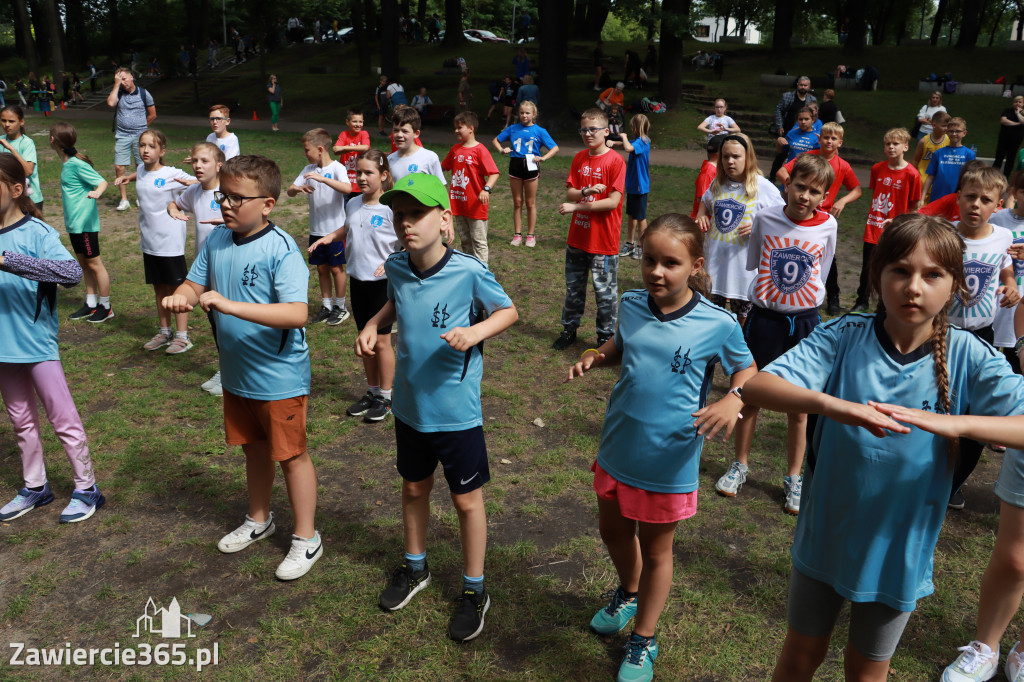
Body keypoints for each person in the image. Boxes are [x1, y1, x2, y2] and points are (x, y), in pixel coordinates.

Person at [743, 214, 1024, 682]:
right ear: (877, 276)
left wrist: (955, 424)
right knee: (799, 658)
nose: (914, 287)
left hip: (899, 552)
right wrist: (834, 406)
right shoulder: (844, 335)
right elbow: (757, 387)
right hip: (825, 534)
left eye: (933, 274)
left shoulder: (970, 356)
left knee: (868, 671)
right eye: (900, 270)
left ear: (954, 285)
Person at [566, 214, 756, 682]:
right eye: (650, 259)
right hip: (618, 444)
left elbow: (748, 372)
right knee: (612, 532)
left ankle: (643, 640)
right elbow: (620, 346)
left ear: (694, 264)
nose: (656, 271)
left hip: (668, 458)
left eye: (670, 262)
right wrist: (597, 355)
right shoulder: (632, 303)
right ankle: (628, 593)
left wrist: (733, 398)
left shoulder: (719, 323)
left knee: (656, 550)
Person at [358, 173, 518, 642]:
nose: (406, 224)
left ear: (444, 219)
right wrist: (373, 324)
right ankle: (415, 567)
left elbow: (507, 311)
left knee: (466, 501)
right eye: (399, 215)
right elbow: (395, 303)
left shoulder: (467, 270)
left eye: (417, 214)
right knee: (413, 489)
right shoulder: (397, 265)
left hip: (456, 412)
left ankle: (474, 589)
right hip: (409, 407)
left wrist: (475, 332)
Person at [163, 154, 322, 581]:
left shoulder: (282, 249)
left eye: (237, 198)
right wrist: (183, 293)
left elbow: (296, 313)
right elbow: (196, 282)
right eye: (222, 197)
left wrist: (231, 305)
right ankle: (259, 519)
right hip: (236, 373)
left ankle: (307, 538)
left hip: (278, 374)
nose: (226, 205)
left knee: (290, 455)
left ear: (267, 204)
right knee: (253, 448)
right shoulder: (216, 240)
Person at [715, 154, 837, 515]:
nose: (805, 196)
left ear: (824, 196)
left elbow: (821, 270)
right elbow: (754, 263)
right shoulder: (765, 218)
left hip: (804, 324)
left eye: (815, 191)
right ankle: (739, 464)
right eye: (800, 186)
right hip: (764, 320)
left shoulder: (828, 226)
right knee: (749, 395)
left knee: (799, 407)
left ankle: (795, 477)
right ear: (787, 184)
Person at [0, 155, 105, 525]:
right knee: (20, 421)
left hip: (36, 345)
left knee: (63, 419)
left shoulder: (38, 233)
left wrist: (7, 260)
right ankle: (35, 486)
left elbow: (71, 273)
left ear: (16, 190)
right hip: (2, 348)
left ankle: (86, 488)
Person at [945, 166, 1019, 511]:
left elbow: (1005, 264)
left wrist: (1012, 283)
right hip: (940, 334)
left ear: (998, 204)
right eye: (970, 196)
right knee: (937, 405)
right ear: (958, 197)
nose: (976, 204)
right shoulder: (943, 234)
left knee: (979, 412)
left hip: (982, 337)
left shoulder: (1003, 236)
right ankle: (923, 476)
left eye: (985, 200)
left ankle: (954, 483)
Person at [311, 150, 399, 423]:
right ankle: (372, 392)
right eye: (358, 172)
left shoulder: (391, 207)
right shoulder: (353, 203)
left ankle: (387, 396)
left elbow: (408, 239)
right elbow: (348, 229)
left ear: (383, 175)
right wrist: (329, 237)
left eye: (368, 173)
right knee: (365, 339)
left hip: (382, 285)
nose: (361, 178)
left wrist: (393, 261)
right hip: (357, 281)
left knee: (382, 342)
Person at [113, 129, 196, 353]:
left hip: (170, 243)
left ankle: (182, 336)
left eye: (151, 146)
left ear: (162, 150)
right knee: (159, 288)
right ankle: (164, 331)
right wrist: (126, 177)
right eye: (142, 145)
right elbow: (140, 175)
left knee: (177, 290)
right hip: (150, 243)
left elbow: (199, 182)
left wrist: (197, 177)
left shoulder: (171, 173)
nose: (145, 150)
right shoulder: (140, 169)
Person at [553, 108, 626, 350]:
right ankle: (569, 330)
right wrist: (584, 193)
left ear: (606, 132)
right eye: (584, 129)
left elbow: (614, 202)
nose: (587, 134)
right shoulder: (579, 158)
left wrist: (576, 207)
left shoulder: (616, 161)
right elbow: (571, 190)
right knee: (573, 289)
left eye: (593, 129)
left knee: (604, 294)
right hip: (578, 238)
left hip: (603, 242)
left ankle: (605, 339)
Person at [695, 133, 783, 322]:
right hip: (715, 265)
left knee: (740, 321)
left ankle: (735, 350)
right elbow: (705, 200)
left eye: (736, 156)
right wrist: (702, 214)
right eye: (725, 156)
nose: (730, 161)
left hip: (743, 271)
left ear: (748, 157)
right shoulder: (718, 183)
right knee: (711, 316)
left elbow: (782, 218)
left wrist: (760, 226)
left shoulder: (763, 187)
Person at [777, 122, 863, 315]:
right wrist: (791, 188)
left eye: (833, 139)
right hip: (800, 210)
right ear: (819, 138)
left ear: (840, 142)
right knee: (795, 248)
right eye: (826, 137)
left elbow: (857, 190)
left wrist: (841, 202)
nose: (829, 141)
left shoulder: (843, 166)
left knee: (827, 257)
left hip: (823, 217)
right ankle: (790, 285)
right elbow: (782, 171)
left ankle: (833, 296)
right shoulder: (807, 158)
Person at [168, 141, 225, 395]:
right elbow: (175, 203)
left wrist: (226, 221)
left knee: (230, 323)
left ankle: (236, 373)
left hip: (227, 268)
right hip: (205, 271)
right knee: (216, 322)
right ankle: (226, 369)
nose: (198, 166)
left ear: (219, 165)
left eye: (204, 161)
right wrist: (174, 212)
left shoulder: (227, 191)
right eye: (195, 161)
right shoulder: (194, 192)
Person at [851, 128, 922, 313]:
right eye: (888, 144)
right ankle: (862, 300)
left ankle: (885, 303)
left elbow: (914, 204)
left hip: (895, 230)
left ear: (905, 146)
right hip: (874, 226)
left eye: (895, 144)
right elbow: (876, 193)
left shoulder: (912, 174)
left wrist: (900, 222)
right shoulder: (877, 168)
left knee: (891, 268)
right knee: (868, 266)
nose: (891, 147)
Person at [287, 128, 352, 326]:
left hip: (335, 231)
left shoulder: (337, 168)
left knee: (336, 268)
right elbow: (289, 191)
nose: (305, 154)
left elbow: (348, 188)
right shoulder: (308, 170)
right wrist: (297, 189)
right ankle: (327, 306)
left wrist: (324, 179)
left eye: (307, 150)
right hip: (316, 230)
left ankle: (341, 307)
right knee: (322, 269)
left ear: (320, 149)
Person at [50, 122, 111, 325]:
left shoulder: (77, 164)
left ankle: (106, 306)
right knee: (85, 264)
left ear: (53, 141)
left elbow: (102, 181)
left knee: (95, 264)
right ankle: (91, 303)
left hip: (84, 224)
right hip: (74, 225)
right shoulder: (68, 164)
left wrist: (97, 192)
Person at [493, 100, 559, 248]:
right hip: (515, 165)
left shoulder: (540, 131)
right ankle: (517, 235)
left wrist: (543, 158)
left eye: (527, 113)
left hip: (531, 165)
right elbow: (496, 140)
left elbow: (554, 148)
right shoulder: (512, 128)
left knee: (530, 203)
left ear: (533, 114)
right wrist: (501, 150)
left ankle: (530, 235)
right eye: (522, 112)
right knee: (517, 202)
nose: (524, 115)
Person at [441, 112, 499, 263]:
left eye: (460, 127)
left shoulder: (480, 150)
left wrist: (486, 189)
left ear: (471, 128)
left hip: (475, 206)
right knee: (465, 241)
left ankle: (481, 273)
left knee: (479, 241)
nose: (456, 131)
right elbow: (442, 167)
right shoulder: (455, 150)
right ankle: (469, 269)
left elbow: (494, 173)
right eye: (455, 128)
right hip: (458, 205)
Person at [107, 68, 156, 212]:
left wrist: (142, 128)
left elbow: (153, 114)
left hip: (140, 137)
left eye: (124, 79)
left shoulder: (143, 93)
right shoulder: (118, 93)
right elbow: (110, 103)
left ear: (132, 77)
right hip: (122, 135)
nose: (122, 82)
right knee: (119, 167)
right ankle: (124, 199)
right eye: (119, 80)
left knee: (141, 167)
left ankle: (141, 197)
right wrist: (116, 85)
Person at [608, 114, 651, 260]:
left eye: (632, 126)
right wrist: (613, 143)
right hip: (633, 184)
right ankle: (630, 243)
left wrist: (624, 136)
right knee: (631, 215)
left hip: (640, 186)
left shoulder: (643, 141)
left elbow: (627, 147)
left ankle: (641, 246)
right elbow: (624, 145)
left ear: (635, 127)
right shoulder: (637, 141)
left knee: (641, 217)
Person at [769, 76, 816, 181]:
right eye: (801, 85)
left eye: (805, 85)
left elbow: (814, 116)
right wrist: (779, 126)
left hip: (803, 132)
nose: (803, 87)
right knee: (781, 154)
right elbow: (778, 111)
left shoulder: (812, 99)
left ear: (809, 87)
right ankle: (772, 177)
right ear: (797, 85)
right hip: (787, 130)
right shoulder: (787, 96)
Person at [921, 117, 976, 207]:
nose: (954, 134)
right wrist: (922, 198)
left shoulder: (969, 154)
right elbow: (930, 176)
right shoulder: (938, 153)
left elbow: (972, 179)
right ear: (946, 132)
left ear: (964, 133)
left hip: (958, 198)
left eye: (958, 131)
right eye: (951, 131)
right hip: (937, 197)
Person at [0, 105, 42, 213]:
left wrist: (10, 148)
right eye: (3, 120)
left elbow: (28, 171)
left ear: (21, 121)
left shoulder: (27, 143)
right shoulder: (1, 140)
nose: (7, 125)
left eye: (11, 121)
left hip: (29, 199)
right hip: (7, 199)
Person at [387, 106, 445, 185]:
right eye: (396, 130)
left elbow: (441, 189)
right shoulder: (389, 160)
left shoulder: (430, 158)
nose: (399, 135)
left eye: (405, 131)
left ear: (416, 133)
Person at [912, 110, 950, 202]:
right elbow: (915, 161)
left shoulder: (949, 141)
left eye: (948, 126)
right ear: (934, 125)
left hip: (939, 182)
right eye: (943, 126)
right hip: (923, 181)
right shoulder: (923, 141)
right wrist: (916, 178)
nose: (946, 128)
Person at [332, 108, 371, 196]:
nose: (358, 124)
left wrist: (345, 148)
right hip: (345, 181)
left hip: (360, 181)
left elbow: (365, 147)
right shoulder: (344, 134)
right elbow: (336, 149)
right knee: (344, 207)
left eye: (360, 122)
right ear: (347, 122)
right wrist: (354, 148)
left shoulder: (364, 134)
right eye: (354, 121)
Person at [995, 95, 1024, 178]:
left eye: (1020, 102)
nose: (1017, 103)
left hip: (1015, 141)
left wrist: (1018, 113)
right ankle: (993, 177)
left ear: (1023, 104)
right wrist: (1017, 124)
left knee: (1010, 160)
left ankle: (1005, 178)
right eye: (1016, 102)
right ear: (1013, 103)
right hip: (1004, 139)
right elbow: (1003, 121)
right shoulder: (1007, 111)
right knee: (998, 158)